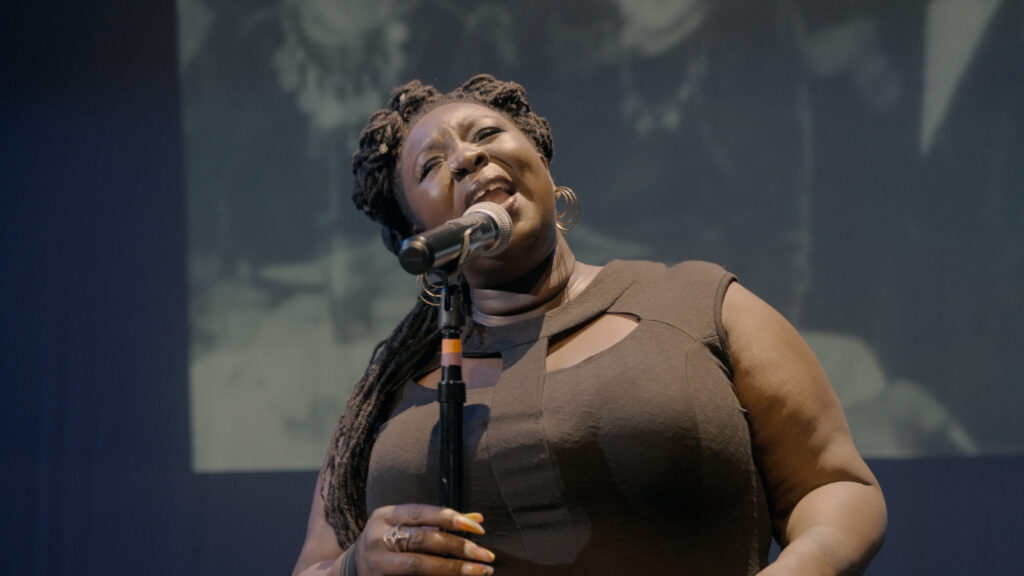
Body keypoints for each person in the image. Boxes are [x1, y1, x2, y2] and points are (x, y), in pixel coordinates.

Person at [292, 74, 886, 576]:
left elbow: (836, 486)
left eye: (488, 135)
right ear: (416, 233)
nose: (467, 158)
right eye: (431, 165)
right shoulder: (391, 385)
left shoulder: (696, 304)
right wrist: (356, 566)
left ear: (542, 164)